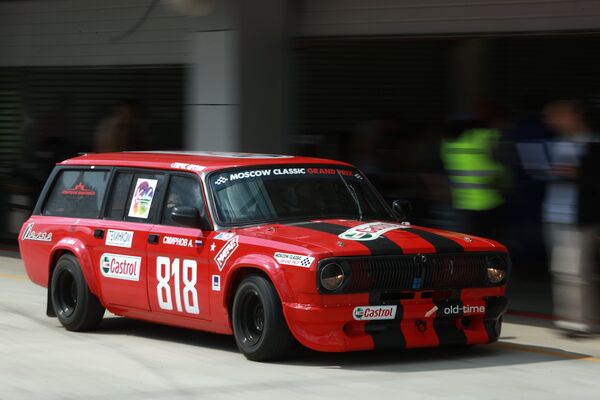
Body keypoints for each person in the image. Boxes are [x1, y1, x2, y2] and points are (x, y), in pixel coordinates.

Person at [542, 100, 600, 336]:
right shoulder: (559, 143)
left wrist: (576, 174)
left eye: (558, 114)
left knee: (573, 271)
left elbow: (594, 181)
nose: (551, 119)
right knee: (565, 270)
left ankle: (577, 322)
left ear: (576, 116)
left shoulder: (592, 144)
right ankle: (577, 319)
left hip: (576, 217)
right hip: (554, 212)